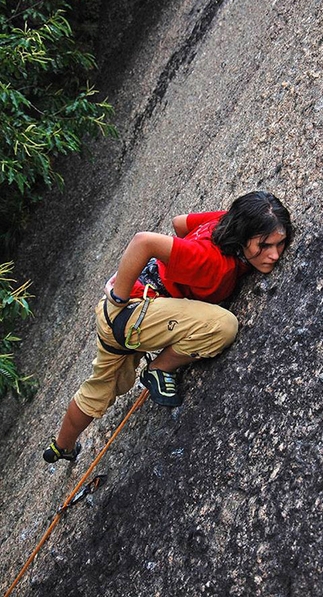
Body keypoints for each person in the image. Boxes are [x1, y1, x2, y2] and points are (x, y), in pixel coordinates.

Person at [43, 191, 293, 463]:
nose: (275, 255)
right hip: (133, 314)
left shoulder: (223, 223)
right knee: (223, 326)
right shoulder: (209, 260)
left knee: (98, 389)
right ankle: (160, 368)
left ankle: (60, 447)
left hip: (128, 314)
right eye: (265, 245)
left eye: (280, 245)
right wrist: (118, 298)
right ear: (243, 236)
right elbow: (143, 242)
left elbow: (180, 223)